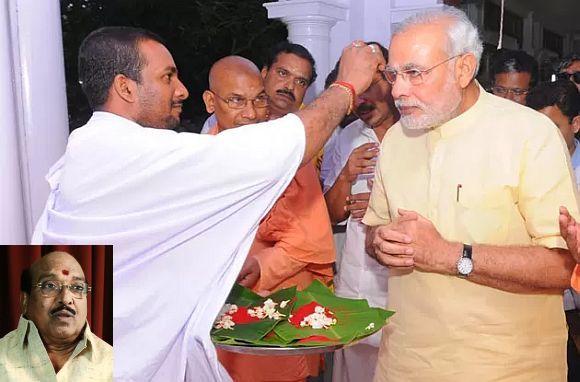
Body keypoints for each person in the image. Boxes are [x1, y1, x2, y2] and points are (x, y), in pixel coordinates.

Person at [32, 26, 382, 381]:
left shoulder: (83, 150)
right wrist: (347, 86)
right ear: (125, 87)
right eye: (167, 77)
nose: (181, 89)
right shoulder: (134, 154)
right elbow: (288, 144)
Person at [363, 6, 579, 381]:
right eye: (393, 75)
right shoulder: (398, 137)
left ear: (463, 69)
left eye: (414, 73)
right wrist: (380, 242)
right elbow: (373, 231)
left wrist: (450, 255)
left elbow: (562, 267)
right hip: (403, 364)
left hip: (506, 368)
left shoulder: (530, 135)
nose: (397, 90)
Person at [204, 55, 335, 382]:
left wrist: (263, 265)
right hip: (215, 306)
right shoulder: (198, 157)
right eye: (236, 101)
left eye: (258, 100)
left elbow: (311, 237)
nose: (250, 114)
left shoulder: (288, 154)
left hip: (274, 301)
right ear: (210, 102)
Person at [320, 42, 398, 382]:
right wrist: (346, 175)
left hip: (404, 289)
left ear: (390, 78)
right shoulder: (346, 137)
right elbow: (331, 214)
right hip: (356, 285)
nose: (362, 102)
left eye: (371, 88)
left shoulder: (419, 131)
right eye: (357, 93)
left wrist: (385, 210)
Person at [528, 81, 580, 381]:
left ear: (575, 123)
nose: (542, 138)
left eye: (553, 127)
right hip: (538, 307)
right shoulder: (521, 163)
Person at [0, 251, 113, 381]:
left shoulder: (113, 363)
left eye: (77, 287)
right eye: (50, 286)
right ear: (25, 300)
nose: (66, 299)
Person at [202, 56, 270, 134]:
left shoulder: (281, 142)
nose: (252, 114)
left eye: (259, 98)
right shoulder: (204, 145)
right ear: (210, 102)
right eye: (237, 100)